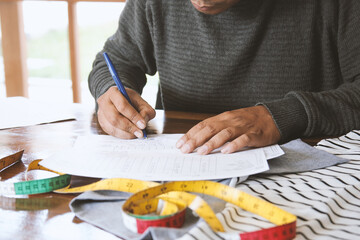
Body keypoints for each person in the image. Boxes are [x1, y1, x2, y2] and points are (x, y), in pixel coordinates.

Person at [89, 0, 360, 155]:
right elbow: (115, 60)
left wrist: (282, 116)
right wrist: (111, 89)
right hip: (181, 166)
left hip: (304, 178)